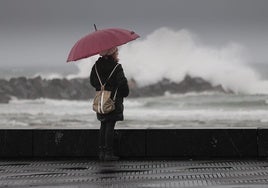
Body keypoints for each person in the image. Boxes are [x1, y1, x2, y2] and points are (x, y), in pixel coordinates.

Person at [90, 47, 129, 161]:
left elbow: (92, 82)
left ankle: (102, 152)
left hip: (101, 100)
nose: (117, 53)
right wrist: (124, 93)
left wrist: (101, 87)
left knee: (103, 125)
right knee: (110, 126)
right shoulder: (117, 67)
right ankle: (108, 153)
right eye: (116, 51)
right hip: (113, 100)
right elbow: (122, 83)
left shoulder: (96, 66)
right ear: (112, 53)